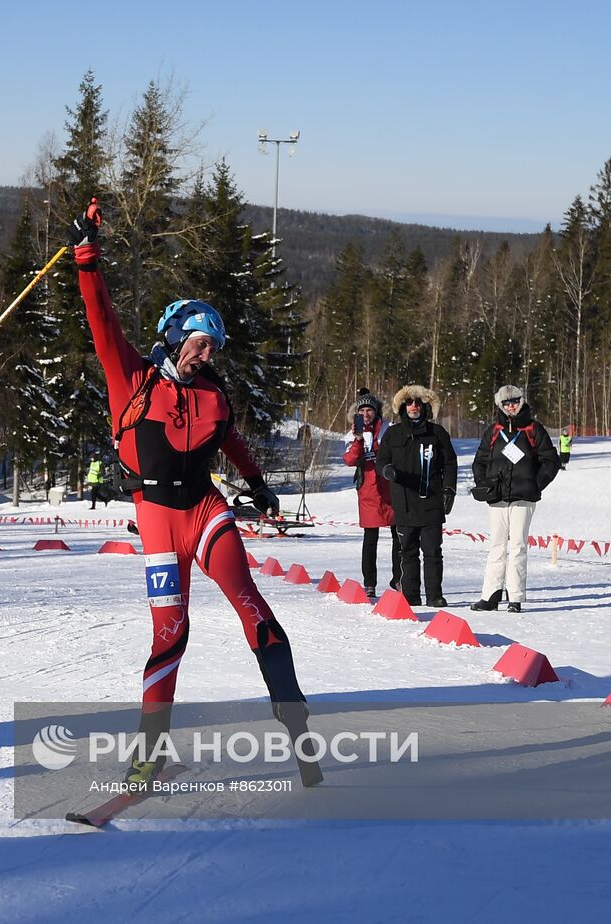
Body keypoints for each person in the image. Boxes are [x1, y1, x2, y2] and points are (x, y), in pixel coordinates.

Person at [69, 199, 319, 787]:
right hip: (156, 516)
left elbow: (232, 443)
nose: (208, 357)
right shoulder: (132, 376)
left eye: (213, 349)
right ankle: (149, 752)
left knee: (250, 603)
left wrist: (259, 488)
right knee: (170, 634)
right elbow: (100, 317)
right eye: (201, 345)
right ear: (177, 336)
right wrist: (87, 256)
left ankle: (299, 732)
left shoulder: (214, 395)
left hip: (206, 511)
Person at [469, 386, 560, 614]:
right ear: (500, 405)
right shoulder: (493, 431)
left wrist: (535, 484)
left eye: (515, 401)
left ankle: (515, 597)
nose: (511, 405)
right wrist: (484, 484)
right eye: (507, 402)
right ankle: (490, 595)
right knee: (496, 546)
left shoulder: (533, 429)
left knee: (518, 545)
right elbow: (479, 461)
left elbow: (551, 461)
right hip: (498, 497)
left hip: (523, 498)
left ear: (521, 401)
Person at [376, 385, 458, 607]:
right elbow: (381, 461)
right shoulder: (393, 434)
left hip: (431, 502)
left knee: (432, 552)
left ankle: (434, 596)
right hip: (404, 503)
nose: (414, 406)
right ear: (403, 406)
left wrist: (449, 489)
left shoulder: (437, 433)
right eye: (410, 403)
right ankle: (410, 596)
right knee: (407, 552)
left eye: (418, 403)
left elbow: (450, 463)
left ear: (425, 407)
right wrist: (387, 471)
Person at [343, 388, 399, 598]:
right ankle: (370, 582)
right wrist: (358, 440)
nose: (366, 414)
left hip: (390, 489)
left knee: (398, 536)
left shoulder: (388, 429)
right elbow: (349, 460)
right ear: (357, 413)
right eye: (363, 410)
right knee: (370, 538)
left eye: (370, 410)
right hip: (368, 491)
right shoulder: (352, 434)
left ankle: (399, 578)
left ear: (376, 412)